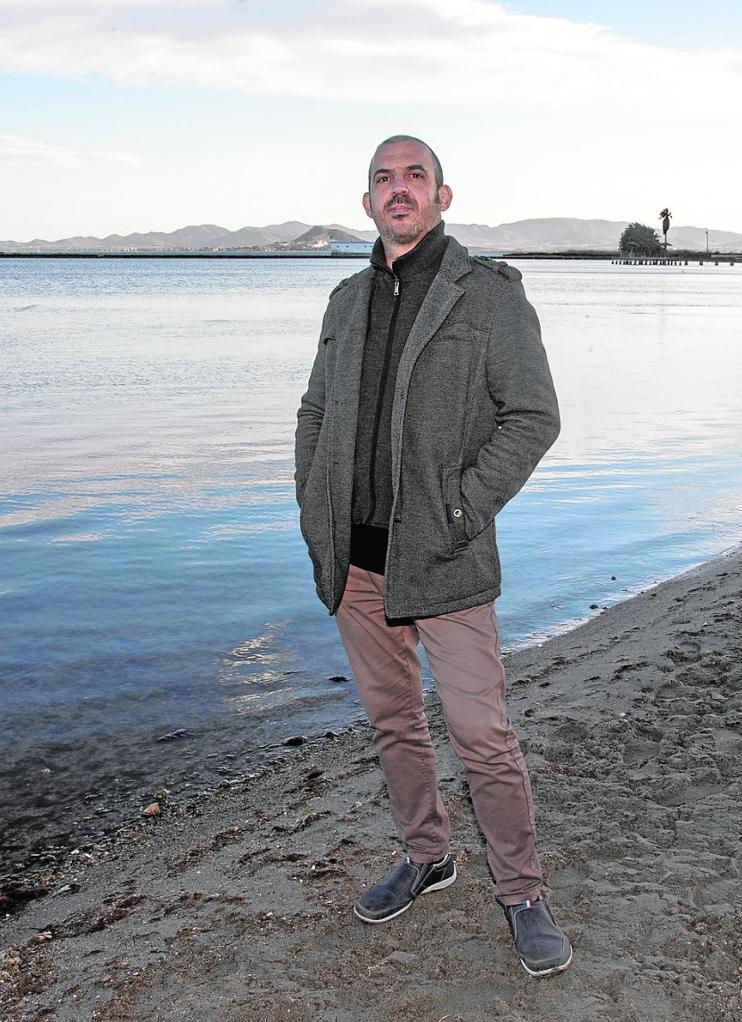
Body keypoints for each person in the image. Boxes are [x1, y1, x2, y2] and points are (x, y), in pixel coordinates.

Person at [293, 135, 571, 976]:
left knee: (482, 735)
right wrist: (314, 503)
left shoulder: (487, 295)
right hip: (357, 563)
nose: (399, 189)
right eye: (384, 178)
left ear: (442, 197)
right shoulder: (346, 301)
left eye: (415, 176)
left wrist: (460, 509)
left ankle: (522, 892)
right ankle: (427, 854)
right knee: (393, 721)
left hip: (446, 559)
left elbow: (533, 416)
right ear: (367, 203)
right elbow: (314, 412)